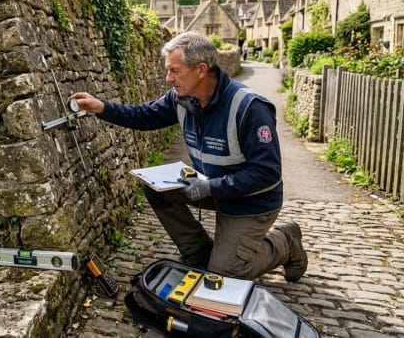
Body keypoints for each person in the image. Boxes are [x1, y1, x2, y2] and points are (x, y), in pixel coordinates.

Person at [71, 31, 307, 282]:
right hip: (212, 189)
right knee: (155, 188)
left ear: (201, 70)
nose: (168, 78)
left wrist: (210, 186)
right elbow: (145, 116)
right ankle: (199, 254)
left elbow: (266, 172)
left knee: (226, 276)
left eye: (175, 71)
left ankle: (285, 241)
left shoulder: (249, 107)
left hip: (250, 203)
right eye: (168, 70)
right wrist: (102, 107)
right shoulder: (182, 98)